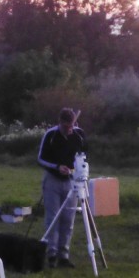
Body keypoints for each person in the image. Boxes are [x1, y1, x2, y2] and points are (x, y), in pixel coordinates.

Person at [37, 107, 87, 267]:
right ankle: (51, 254)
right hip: (53, 180)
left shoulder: (79, 135)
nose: (69, 130)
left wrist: (76, 169)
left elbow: (84, 156)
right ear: (60, 122)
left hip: (71, 182)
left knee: (68, 219)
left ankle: (63, 255)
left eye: (72, 126)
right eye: (66, 127)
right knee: (53, 217)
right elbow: (40, 158)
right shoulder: (50, 135)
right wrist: (57, 167)